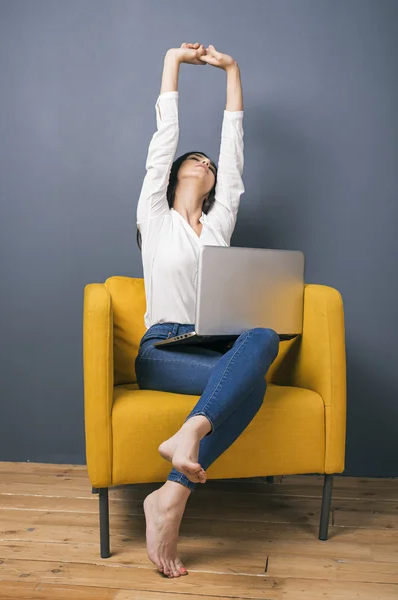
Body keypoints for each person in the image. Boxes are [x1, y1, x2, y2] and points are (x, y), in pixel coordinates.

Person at [135, 42, 280, 579]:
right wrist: (173, 60)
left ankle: (171, 493)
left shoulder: (218, 228)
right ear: (174, 175)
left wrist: (233, 70)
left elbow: (234, 148)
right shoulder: (154, 215)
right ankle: (176, 489)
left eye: (211, 165)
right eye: (196, 159)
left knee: (264, 336)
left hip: (212, 344)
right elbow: (163, 136)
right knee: (253, 386)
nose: (207, 162)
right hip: (161, 351)